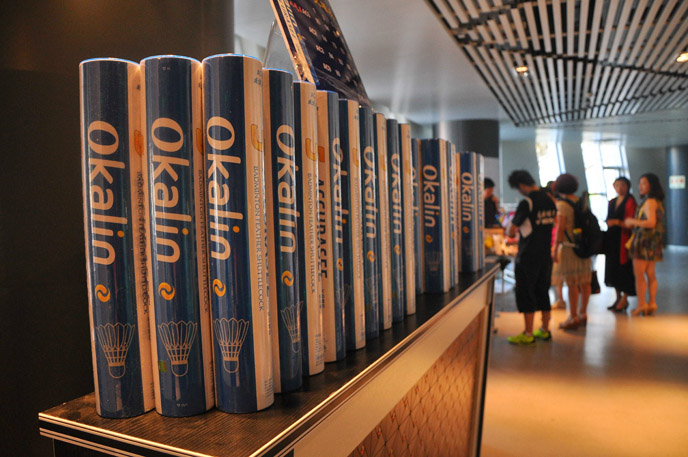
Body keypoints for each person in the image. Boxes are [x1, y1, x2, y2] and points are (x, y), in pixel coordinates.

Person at [506, 170, 557, 345]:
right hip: (545, 254)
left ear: (521, 186)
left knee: (526, 292)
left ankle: (528, 333)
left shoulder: (527, 202)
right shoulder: (549, 200)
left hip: (528, 255)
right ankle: (545, 330)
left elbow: (511, 230)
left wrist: (512, 230)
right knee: (543, 290)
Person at [551, 173, 592, 330]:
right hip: (583, 246)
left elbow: (560, 228)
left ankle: (573, 316)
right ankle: (583, 313)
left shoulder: (562, 205)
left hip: (569, 248)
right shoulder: (580, 201)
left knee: (572, 283)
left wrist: (555, 248)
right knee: (585, 281)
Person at [625, 173, 665, 316]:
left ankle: (641, 304)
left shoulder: (649, 202)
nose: (640, 186)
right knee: (650, 273)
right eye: (640, 183)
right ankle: (652, 302)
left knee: (639, 274)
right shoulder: (656, 202)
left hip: (643, 242)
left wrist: (632, 221)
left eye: (644, 183)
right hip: (653, 242)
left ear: (651, 185)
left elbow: (650, 222)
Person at [605, 177, 637, 312]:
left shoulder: (630, 202)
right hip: (612, 239)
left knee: (624, 269)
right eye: (617, 185)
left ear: (627, 186)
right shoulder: (612, 202)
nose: (620, 188)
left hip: (624, 238)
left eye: (622, 185)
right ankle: (618, 297)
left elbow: (631, 222)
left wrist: (617, 222)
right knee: (613, 268)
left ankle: (624, 298)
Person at [545, 181, 566, 309]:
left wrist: (555, 246)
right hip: (558, 241)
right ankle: (560, 299)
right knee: (558, 273)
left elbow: (559, 226)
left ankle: (561, 300)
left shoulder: (558, 206)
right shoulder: (561, 204)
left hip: (557, 242)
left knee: (558, 273)